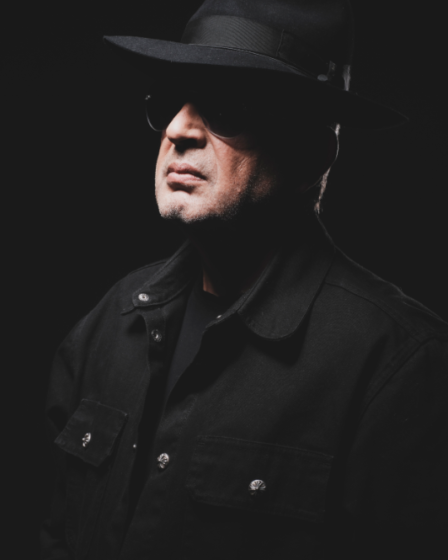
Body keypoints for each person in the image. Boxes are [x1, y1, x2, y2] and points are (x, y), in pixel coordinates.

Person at [41, 1, 448, 559]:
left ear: (312, 152)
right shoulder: (109, 324)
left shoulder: (401, 368)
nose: (179, 130)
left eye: (227, 107)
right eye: (169, 102)